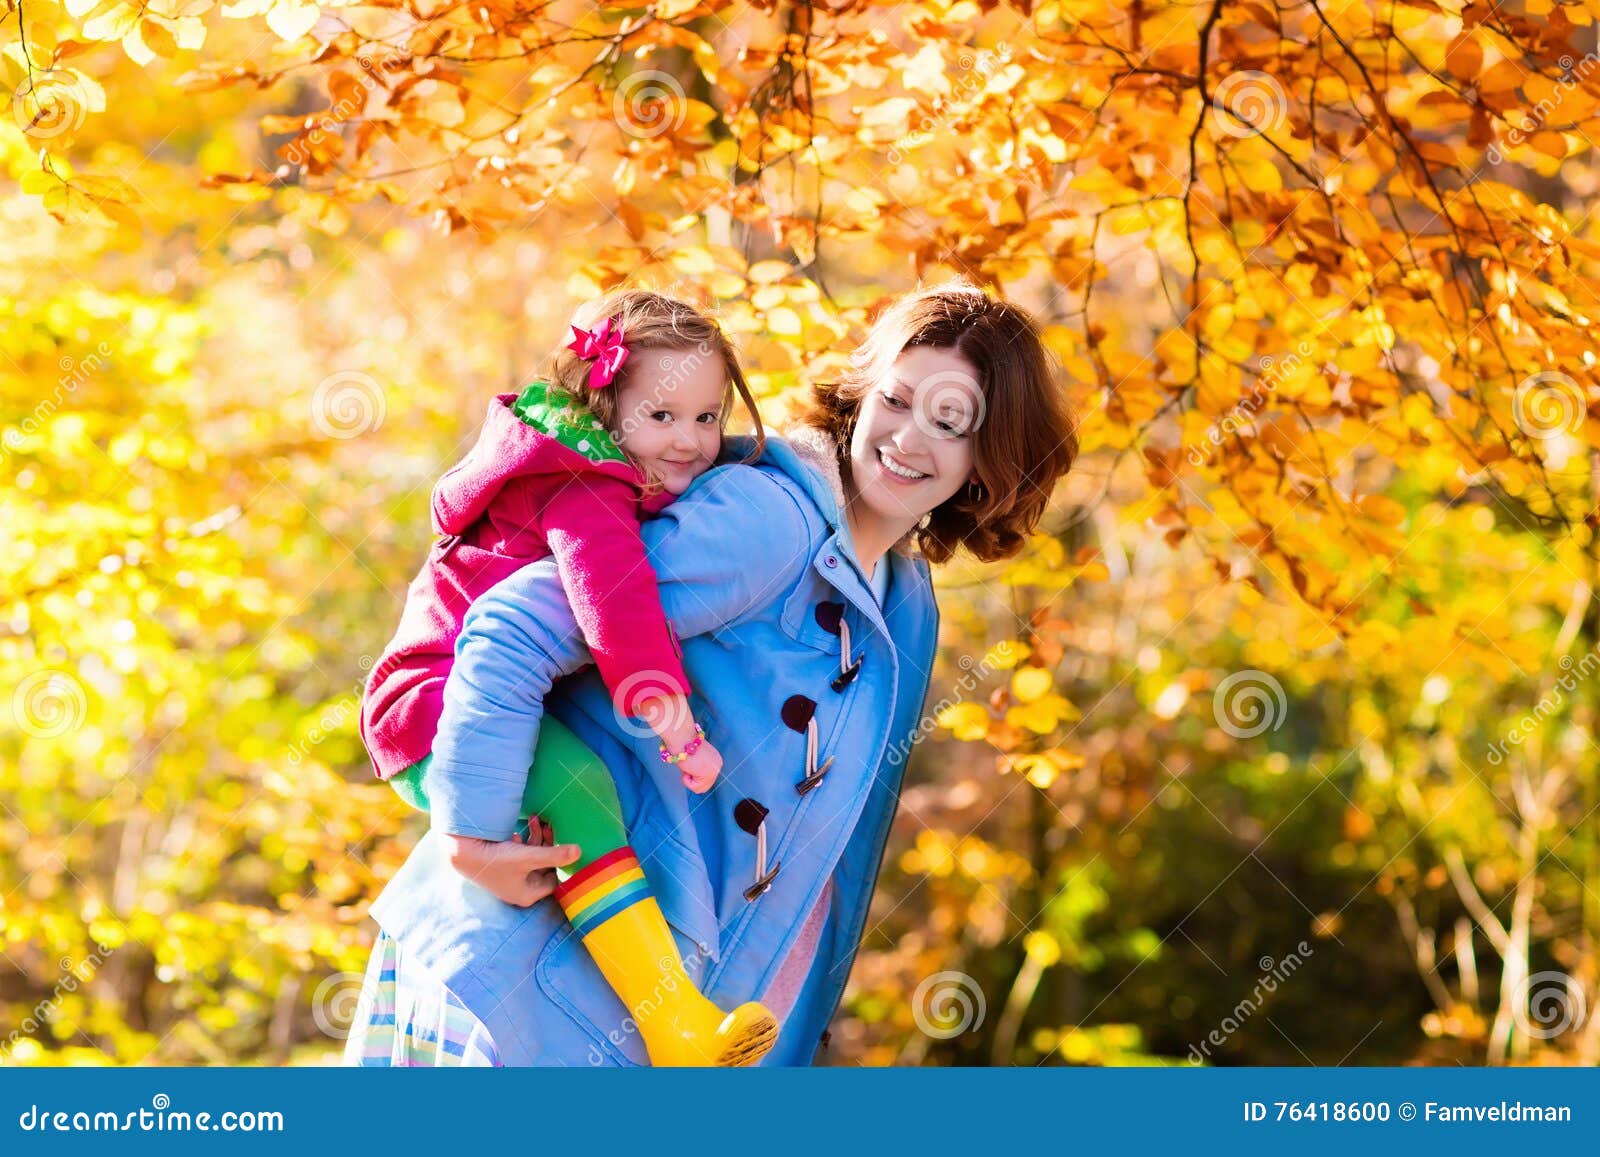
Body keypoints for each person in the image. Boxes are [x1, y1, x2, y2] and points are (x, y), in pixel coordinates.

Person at [343, 280, 1079, 1066]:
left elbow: (814, 886)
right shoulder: (766, 520)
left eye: (949, 422)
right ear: (862, 394)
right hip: (522, 987)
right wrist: (473, 832)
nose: (908, 437)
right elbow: (511, 627)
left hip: (667, 1027)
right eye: (895, 400)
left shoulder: (900, 603)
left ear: (988, 456)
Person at [359, 288, 780, 1064]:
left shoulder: (582, 462)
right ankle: (674, 1021)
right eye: (661, 416)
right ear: (607, 406)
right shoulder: (588, 487)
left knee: (576, 798)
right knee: (579, 785)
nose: (689, 440)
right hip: (430, 703)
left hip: (449, 693)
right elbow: (613, 598)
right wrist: (667, 708)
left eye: (707, 416)